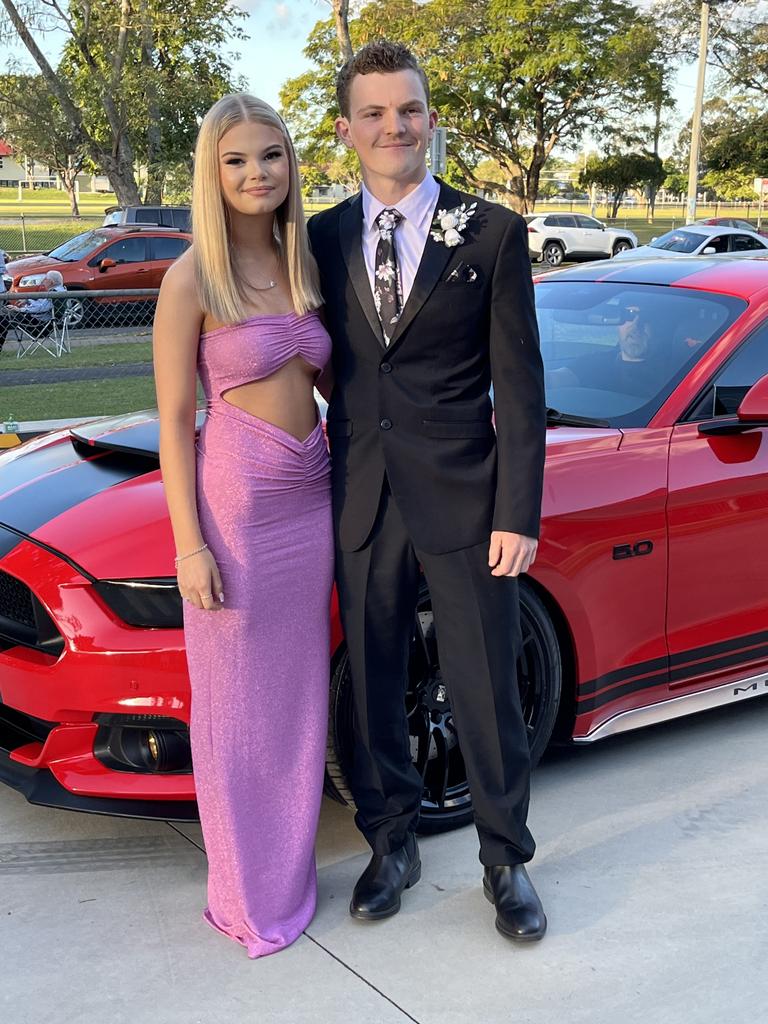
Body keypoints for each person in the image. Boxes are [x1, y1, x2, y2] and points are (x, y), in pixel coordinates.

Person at [307, 41, 548, 943]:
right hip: (361, 496)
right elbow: (323, 362)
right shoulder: (320, 237)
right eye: (372, 113)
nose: (392, 126)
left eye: (407, 109)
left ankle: (505, 859)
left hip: (467, 499)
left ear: (429, 119)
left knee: (482, 684)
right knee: (372, 682)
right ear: (346, 129)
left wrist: (517, 511)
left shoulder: (490, 231)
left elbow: (519, 386)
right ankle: (391, 842)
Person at [153, 94, 332, 958]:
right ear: (210, 173)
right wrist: (189, 543)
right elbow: (173, 422)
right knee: (235, 710)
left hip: (314, 499)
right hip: (239, 513)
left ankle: (289, 878)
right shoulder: (192, 277)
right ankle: (246, 895)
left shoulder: (307, 263)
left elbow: (338, 380)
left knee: (298, 703)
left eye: (271, 155)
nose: (256, 173)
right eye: (235, 160)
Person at [3, 270, 66, 350]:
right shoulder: (61, 291)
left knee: (5, 316)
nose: (43, 281)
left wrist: (20, 309)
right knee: (7, 313)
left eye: (45, 279)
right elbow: (42, 304)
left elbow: (41, 308)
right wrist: (28, 300)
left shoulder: (54, 293)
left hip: (39, 324)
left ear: (51, 282)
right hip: (48, 323)